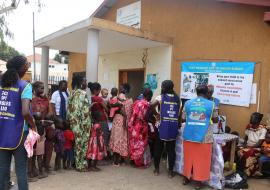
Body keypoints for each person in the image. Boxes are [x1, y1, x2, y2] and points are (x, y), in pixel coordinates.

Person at [0, 56, 36, 190]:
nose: (28, 66)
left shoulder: (1, 85)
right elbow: (26, 112)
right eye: (27, 64)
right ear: (21, 68)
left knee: (2, 170)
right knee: (21, 170)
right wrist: (33, 125)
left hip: (2, 132)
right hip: (20, 133)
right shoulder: (25, 86)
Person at [182, 85, 218, 189]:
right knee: (202, 160)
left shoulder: (188, 103)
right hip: (204, 137)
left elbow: (184, 118)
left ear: (196, 92)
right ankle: (198, 182)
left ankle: (186, 178)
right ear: (207, 93)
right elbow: (215, 119)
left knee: (188, 158)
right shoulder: (212, 104)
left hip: (189, 134)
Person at [151, 80, 180, 178]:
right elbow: (178, 115)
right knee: (171, 150)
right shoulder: (177, 99)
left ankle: (156, 169)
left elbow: (151, 106)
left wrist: (157, 115)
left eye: (162, 86)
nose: (161, 88)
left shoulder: (160, 97)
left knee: (158, 149)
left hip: (161, 126)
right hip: (173, 126)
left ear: (164, 88)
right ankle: (171, 172)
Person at [67, 74, 91, 172]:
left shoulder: (73, 93)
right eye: (85, 81)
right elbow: (78, 110)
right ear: (81, 83)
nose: (86, 83)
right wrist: (81, 124)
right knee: (82, 144)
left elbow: (71, 110)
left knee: (78, 144)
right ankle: (80, 165)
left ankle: (79, 164)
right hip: (81, 123)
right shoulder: (81, 93)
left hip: (76, 123)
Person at [110, 83, 133, 166]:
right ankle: (121, 160)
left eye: (121, 87)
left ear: (125, 90)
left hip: (119, 120)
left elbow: (117, 107)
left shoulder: (120, 96)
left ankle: (116, 161)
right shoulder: (130, 100)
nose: (119, 88)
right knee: (123, 139)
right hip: (125, 121)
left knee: (117, 139)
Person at [128, 88, 153, 168]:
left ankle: (132, 160)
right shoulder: (147, 104)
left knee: (134, 143)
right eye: (151, 96)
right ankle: (138, 163)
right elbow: (146, 117)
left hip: (134, 125)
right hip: (141, 127)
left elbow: (133, 114)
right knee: (141, 144)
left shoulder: (136, 102)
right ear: (148, 96)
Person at [238, 112, 267, 177]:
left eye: (252, 118)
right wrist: (244, 145)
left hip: (256, 148)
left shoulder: (263, 130)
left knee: (248, 152)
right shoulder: (249, 127)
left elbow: (259, 143)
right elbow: (246, 138)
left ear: (258, 120)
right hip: (248, 146)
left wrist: (247, 147)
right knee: (237, 149)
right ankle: (239, 170)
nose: (250, 119)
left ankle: (247, 172)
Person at [31, 81, 49, 179]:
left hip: (42, 128)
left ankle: (40, 170)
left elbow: (47, 112)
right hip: (33, 129)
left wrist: (46, 100)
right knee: (33, 151)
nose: (42, 90)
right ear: (35, 89)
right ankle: (33, 169)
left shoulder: (44, 100)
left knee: (40, 151)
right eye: (41, 88)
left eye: (43, 88)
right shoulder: (31, 100)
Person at [88, 82, 110, 158]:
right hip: (102, 120)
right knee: (104, 138)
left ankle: (95, 155)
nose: (100, 92)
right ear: (95, 90)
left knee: (96, 139)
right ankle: (102, 156)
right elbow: (106, 109)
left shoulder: (90, 98)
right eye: (99, 90)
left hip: (95, 120)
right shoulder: (98, 99)